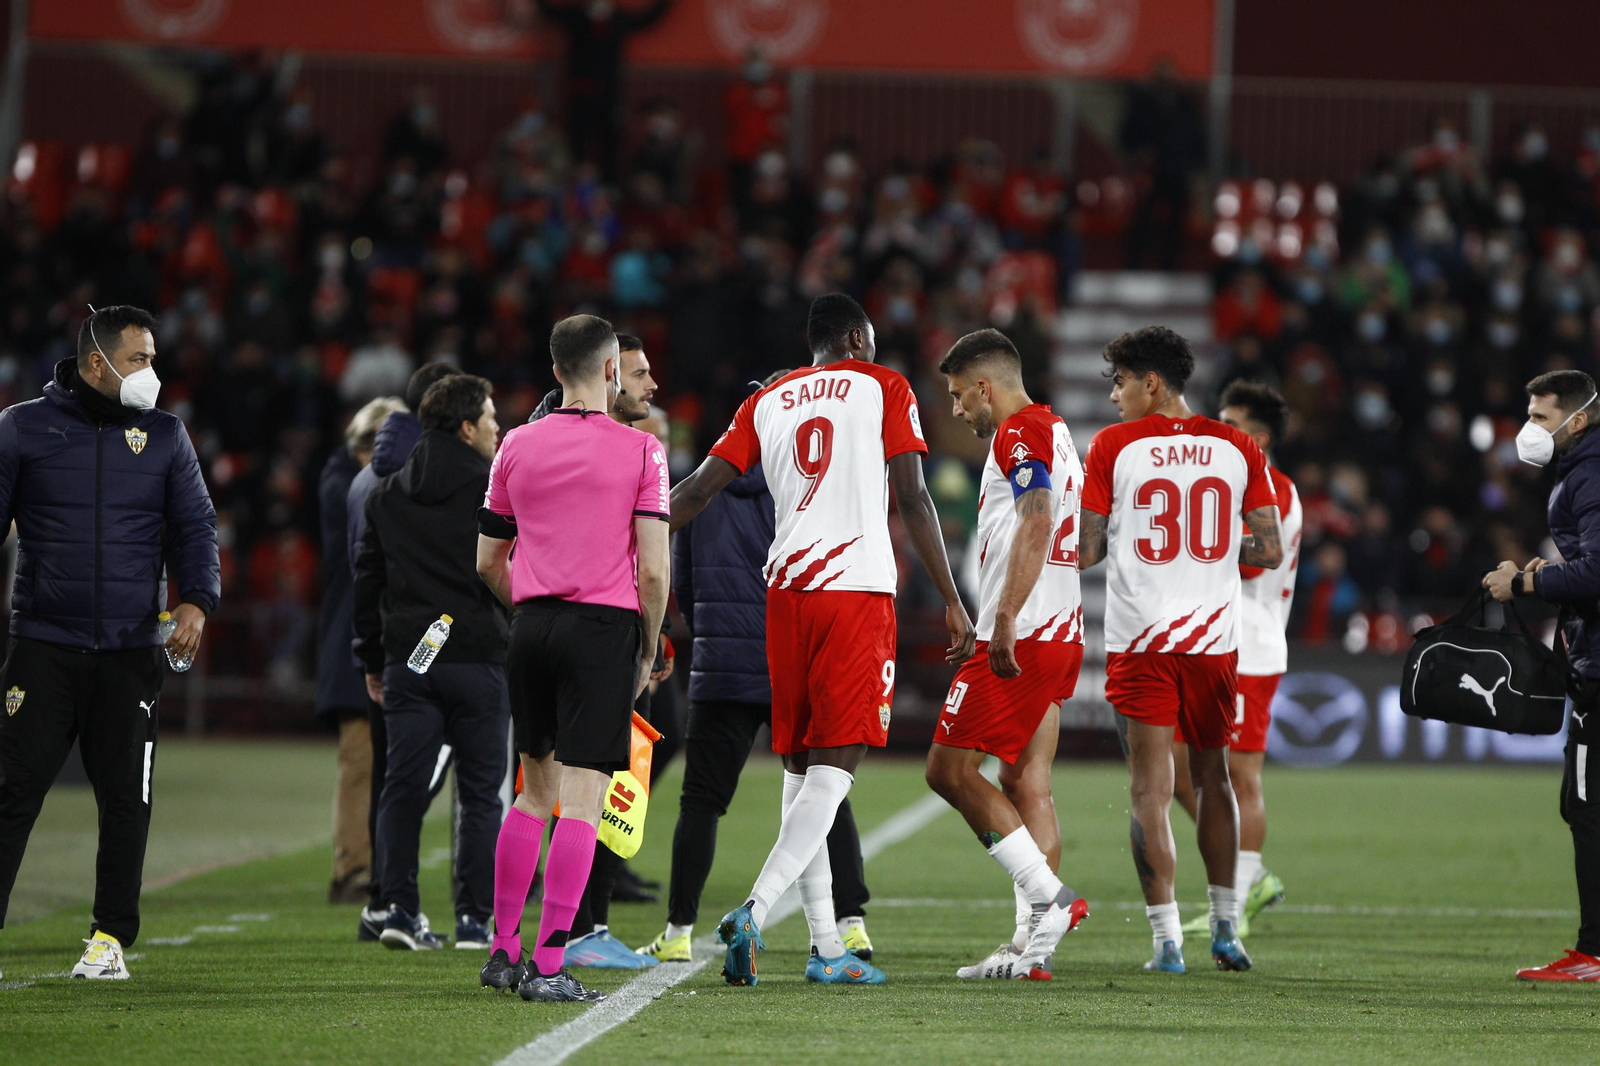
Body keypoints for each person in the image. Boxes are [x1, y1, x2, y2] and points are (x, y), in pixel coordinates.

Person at [669, 293, 976, 987]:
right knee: (836, 770)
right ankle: (754, 909)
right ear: (855, 337)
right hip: (854, 592)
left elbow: (694, 491)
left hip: (784, 596)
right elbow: (913, 495)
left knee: (802, 769)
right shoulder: (886, 385)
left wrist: (629, 543)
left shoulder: (767, 400)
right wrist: (954, 600)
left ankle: (825, 947)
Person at [0, 305, 220, 981]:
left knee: (128, 798)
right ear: (97, 363)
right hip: (43, 642)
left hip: (130, 650)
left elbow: (196, 529)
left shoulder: (165, 436)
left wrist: (195, 602)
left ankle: (108, 939)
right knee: (11, 794)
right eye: (140, 360)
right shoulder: (22, 428)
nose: (153, 373)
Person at [637, 370, 876, 966]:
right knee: (827, 788)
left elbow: (680, 582)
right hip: (790, 656)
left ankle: (678, 929)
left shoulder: (699, 485)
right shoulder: (802, 485)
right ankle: (849, 925)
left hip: (720, 667)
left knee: (701, 803)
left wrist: (701, 630)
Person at [475, 314, 670, 1003]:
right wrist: (646, 647)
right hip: (601, 632)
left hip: (532, 627)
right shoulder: (642, 450)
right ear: (612, 368)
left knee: (533, 794)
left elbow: (488, 560)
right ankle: (552, 965)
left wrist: (531, 603)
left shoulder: (515, 447)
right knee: (582, 804)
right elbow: (652, 571)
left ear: (556, 371)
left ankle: (503, 951)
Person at [1075, 325, 1281, 975]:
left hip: (1142, 639)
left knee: (1150, 790)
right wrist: (1216, 550)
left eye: (1120, 382)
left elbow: (1085, 550)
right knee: (1216, 778)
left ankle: (1167, 941)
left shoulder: (1112, 446)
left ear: (1151, 383)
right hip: (1215, 642)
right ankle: (1227, 929)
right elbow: (1267, 551)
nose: (1113, 397)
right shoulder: (1240, 447)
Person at [925, 329, 1089, 982]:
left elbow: (1036, 516)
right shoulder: (1058, 430)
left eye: (961, 397)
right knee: (1025, 781)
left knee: (949, 772)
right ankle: (1031, 949)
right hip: (1060, 627)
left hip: (1028, 632)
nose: (959, 411)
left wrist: (1007, 617)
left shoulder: (1018, 433)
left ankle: (1051, 901)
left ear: (986, 386)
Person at [354, 374, 510, 952]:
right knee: (479, 794)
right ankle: (475, 919)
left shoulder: (386, 494)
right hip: (479, 657)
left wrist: (373, 657)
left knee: (401, 786)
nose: (498, 427)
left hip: (410, 661)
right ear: (467, 426)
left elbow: (366, 584)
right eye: (491, 418)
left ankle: (397, 907)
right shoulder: (496, 491)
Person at [1173, 382, 1302, 939]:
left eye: (1232, 422)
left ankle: (1243, 891)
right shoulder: (1246, 479)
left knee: (1238, 778)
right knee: (1179, 768)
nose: (1221, 430)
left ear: (1261, 437)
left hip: (1250, 645)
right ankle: (1249, 872)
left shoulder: (1268, 484)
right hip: (1222, 643)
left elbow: (1250, 565)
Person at [1485, 370, 1600, 982]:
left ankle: (1593, 953)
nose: (1528, 429)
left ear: (1576, 419)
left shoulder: (1588, 473)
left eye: (1539, 417)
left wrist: (1524, 583)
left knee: (1585, 806)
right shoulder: (1584, 468)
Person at [346, 361, 458, 943]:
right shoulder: (430, 480)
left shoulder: (368, 478)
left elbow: (360, 573)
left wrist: (370, 653)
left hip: (389, 652)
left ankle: (382, 902)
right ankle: (405, 906)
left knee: (395, 782)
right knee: (414, 782)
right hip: (428, 649)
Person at [319, 396, 405, 906]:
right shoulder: (346, 487)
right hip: (353, 640)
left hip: (360, 635)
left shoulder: (342, 481)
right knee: (359, 760)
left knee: (376, 761)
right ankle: (351, 868)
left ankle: (370, 865)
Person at [535, 0, 673, 181]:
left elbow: (647, 19)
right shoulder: (576, 17)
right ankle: (575, 192)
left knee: (610, 147)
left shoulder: (619, 19)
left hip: (609, 97)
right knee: (576, 146)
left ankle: (609, 188)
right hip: (579, 95)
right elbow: (549, 12)